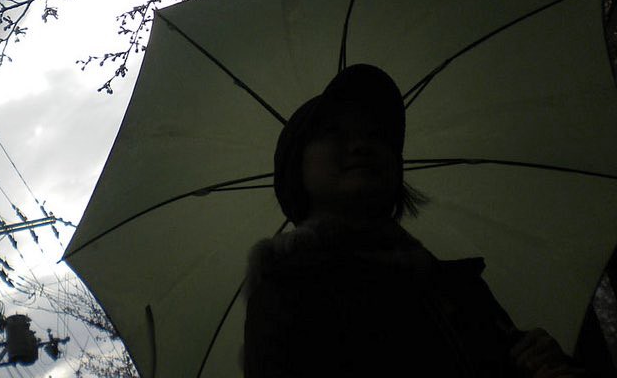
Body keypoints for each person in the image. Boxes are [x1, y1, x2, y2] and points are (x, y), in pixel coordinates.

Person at [243, 64, 586, 378]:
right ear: (296, 167)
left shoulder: (458, 287)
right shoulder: (288, 291)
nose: (362, 144)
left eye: (377, 135)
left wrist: (546, 365)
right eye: (334, 132)